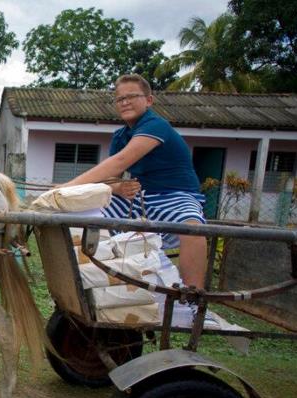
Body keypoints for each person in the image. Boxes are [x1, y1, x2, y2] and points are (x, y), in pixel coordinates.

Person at [58, 74, 215, 325]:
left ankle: (193, 302)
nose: (125, 102)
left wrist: (64, 189)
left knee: (193, 228)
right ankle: (89, 285)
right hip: (141, 197)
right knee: (81, 214)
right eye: (120, 98)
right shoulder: (121, 135)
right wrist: (118, 187)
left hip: (176, 195)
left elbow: (118, 163)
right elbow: (112, 178)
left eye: (132, 96)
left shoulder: (156, 126)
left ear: (149, 100)